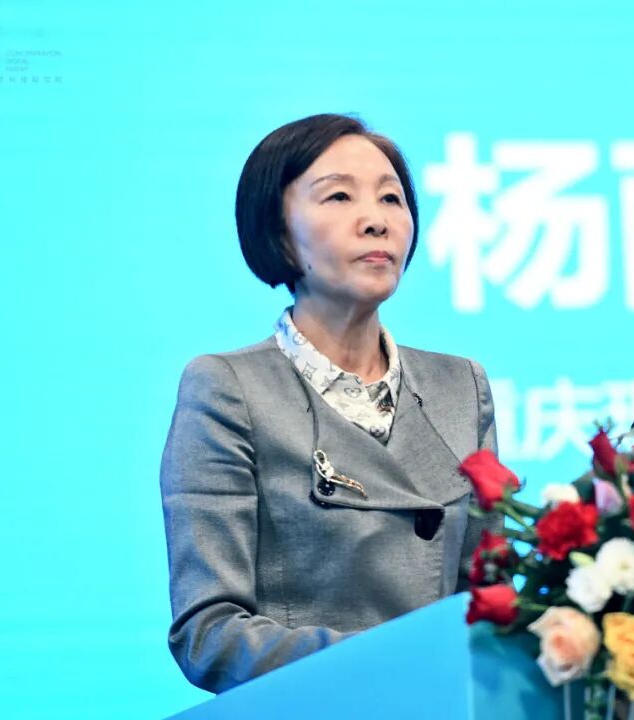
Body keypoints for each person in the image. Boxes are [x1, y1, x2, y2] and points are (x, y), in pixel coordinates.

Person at [159, 114, 499, 694]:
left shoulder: (461, 386)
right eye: (339, 196)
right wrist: (391, 662)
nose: (376, 220)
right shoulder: (227, 388)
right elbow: (208, 633)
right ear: (278, 231)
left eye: (391, 198)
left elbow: (489, 598)